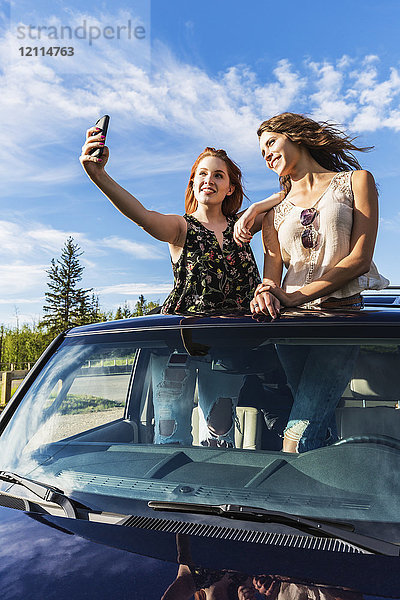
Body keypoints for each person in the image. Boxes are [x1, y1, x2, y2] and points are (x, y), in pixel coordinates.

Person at [80, 130, 282, 446]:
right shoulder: (180, 227)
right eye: (202, 174)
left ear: (230, 187)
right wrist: (98, 174)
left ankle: (214, 492)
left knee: (220, 430)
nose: (209, 180)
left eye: (218, 175)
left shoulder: (243, 224)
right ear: (192, 183)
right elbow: (142, 216)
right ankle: (174, 495)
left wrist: (258, 207)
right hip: (179, 344)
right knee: (170, 431)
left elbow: (290, 198)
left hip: (229, 346)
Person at [234, 112, 389, 453]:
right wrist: (266, 293)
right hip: (290, 328)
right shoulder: (273, 215)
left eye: (271, 143)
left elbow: (359, 259)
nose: (267, 155)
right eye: (262, 152)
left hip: (340, 321)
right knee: (316, 421)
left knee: (297, 435)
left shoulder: (356, 182)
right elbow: (272, 273)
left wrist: (295, 297)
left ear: (296, 136)